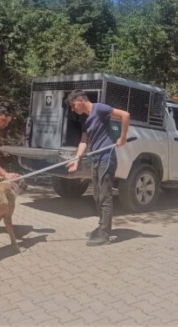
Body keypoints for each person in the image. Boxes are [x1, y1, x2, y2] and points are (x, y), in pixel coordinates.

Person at [65, 90, 130, 246]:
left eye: (73, 106)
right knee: (96, 195)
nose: (74, 110)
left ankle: (105, 234)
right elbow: (83, 141)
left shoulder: (99, 108)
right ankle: (102, 226)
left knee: (104, 195)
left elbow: (125, 115)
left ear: (80, 100)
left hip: (107, 157)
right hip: (96, 158)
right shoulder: (86, 120)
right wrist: (76, 159)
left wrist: (122, 137)